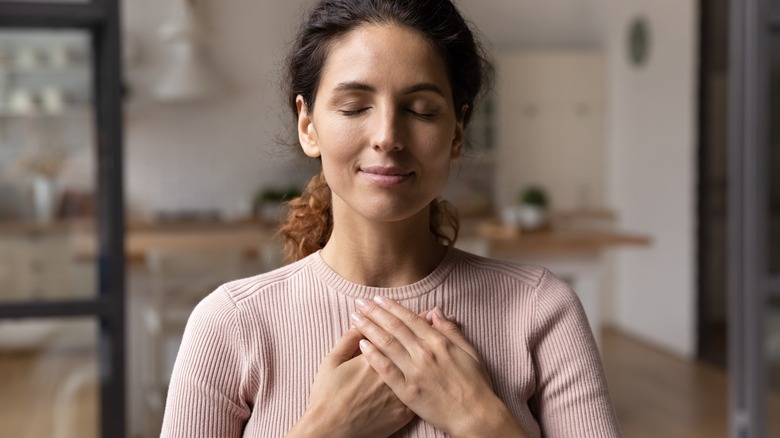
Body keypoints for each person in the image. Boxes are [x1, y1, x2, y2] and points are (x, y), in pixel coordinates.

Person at [161, 0, 622, 436]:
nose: (387, 136)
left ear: (457, 133)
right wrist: (325, 430)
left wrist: (480, 420)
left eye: (421, 110)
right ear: (308, 126)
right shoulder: (230, 323)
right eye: (354, 107)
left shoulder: (542, 310)